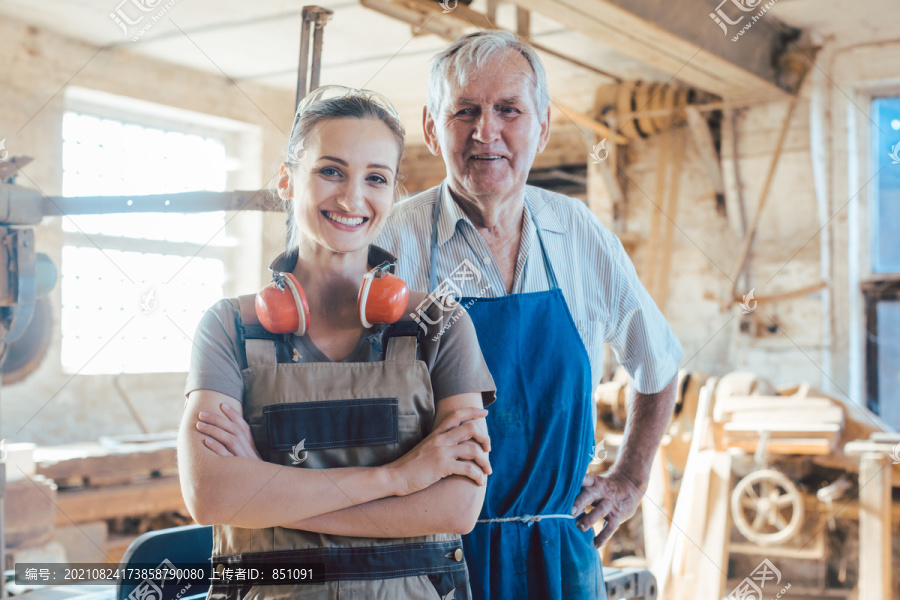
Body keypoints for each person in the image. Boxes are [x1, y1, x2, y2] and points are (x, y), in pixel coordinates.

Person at [374, 31, 684, 599]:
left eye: (507, 110)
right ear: (430, 127)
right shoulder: (389, 244)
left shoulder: (580, 235)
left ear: (541, 126)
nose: (484, 131)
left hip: (557, 561)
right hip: (428, 561)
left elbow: (659, 364)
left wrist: (631, 479)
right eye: (463, 110)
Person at [178, 86, 496, 600]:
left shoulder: (438, 324)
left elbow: (456, 508)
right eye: (330, 171)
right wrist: (399, 477)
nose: (352, 198)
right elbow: (211, 495)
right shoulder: (228, 328)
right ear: (287, 180)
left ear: (393, 192)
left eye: (376, 178)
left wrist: (263, 489)